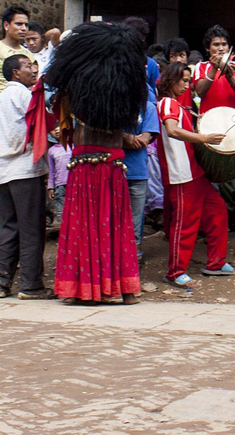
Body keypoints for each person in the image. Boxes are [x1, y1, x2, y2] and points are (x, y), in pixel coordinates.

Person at [45, 22, 147, 303]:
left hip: (86, 164)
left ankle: (85, 289)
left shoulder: (75, 97)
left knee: (84, 227)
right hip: (112, 165)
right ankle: (121, 289)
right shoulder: (125, 96)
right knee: (115, 227)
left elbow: (53, 82)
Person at [156, 61, 235, 285]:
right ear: (170, 81)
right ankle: (175, 272)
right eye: (183, 81)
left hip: (193, 172)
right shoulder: (167, 103)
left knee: (217, 209)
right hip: (181, 173)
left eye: (188, 80)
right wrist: (204, 138)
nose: (187, 85)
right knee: (185, 223)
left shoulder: (178, 105)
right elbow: (172, 130)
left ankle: (216, 262)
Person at [0, 54, 51, 299]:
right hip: (25, 169)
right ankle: (31, 284)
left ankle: (2, 282)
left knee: (8, 227)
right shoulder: (25, 95)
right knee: (32, 228)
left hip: (3, 172)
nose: (32, 70)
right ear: (16, 72)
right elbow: (32, 129)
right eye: (27, 66)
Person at [192, 25, 235, 236]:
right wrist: (213, 69)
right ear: (208, 48)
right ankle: (211, 228)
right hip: (207, 129)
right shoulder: (200, 67)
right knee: (208, 180)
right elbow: (200, 90)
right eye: (215, 45)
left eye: (224, 44)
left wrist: (230, 76)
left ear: (230, 48)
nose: (220, 48)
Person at [123, 98, 160, 260]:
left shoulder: (147, 106)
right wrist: (129, 138)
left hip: (138, 171)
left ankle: (134, 254)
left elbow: (145, 139)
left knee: (136, 219)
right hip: (113, 169)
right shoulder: (112, 102)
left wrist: (120, 138)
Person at [46, 129, 71, 228]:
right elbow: (51, 170)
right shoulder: (52, 151)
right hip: (59, 185)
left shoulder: (73, 146)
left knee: (74, 209)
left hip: (73, 183)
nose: (56, 130)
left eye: (59, 126)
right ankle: (63, 235)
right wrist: (51, 186)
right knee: (61, 211)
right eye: (52, 128)